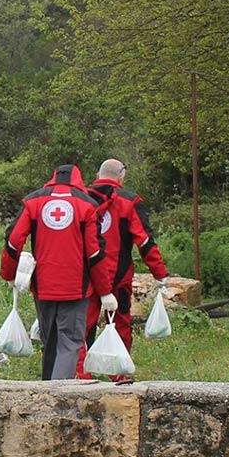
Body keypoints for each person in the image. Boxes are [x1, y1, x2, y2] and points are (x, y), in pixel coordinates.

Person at [0, 164, 115, 379]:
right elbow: (95, 253)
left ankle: (47, 389)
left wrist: (8, 273)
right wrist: (105, 291)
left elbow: (14, 240)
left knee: (49, 341)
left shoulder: (33, 201)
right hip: (76, 288)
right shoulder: (87, 205)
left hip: (43, 287)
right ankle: (57, 393)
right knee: (70, 342)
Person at [77, 158, 170, 378]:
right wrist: (159, 272)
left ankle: (80, 375)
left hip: (86, 274)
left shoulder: (80, 199)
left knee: (82, 325)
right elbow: (144, 241)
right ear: (121, 176)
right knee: (121, 323)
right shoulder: (130, 201)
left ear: (98, 175)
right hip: (118, 275)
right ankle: (119, 374)